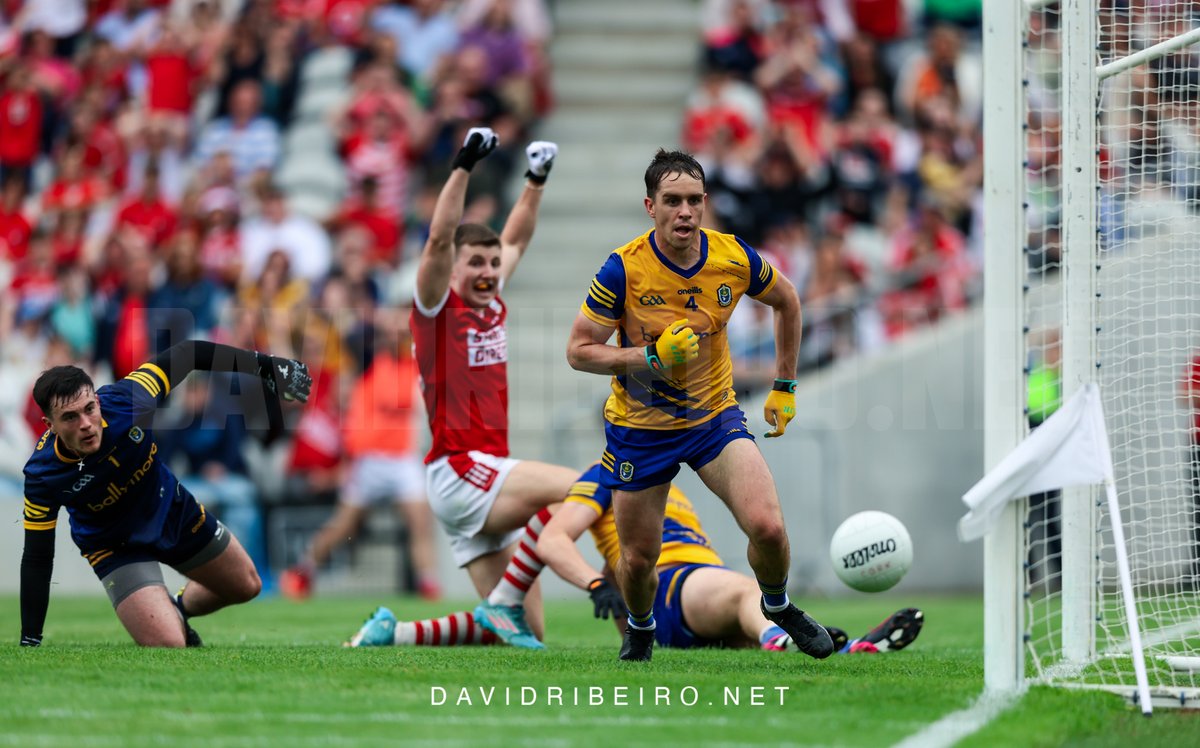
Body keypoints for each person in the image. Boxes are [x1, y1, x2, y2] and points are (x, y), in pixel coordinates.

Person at [564, 148, 832, 662]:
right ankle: (641, 628)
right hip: (639, 429)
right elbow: (578, 351)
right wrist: (649, 355)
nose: (684, 211)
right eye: (672, 201)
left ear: (705, 203)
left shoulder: (731, 257)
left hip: (713, 419)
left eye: (692, 200)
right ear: (650, 206)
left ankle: (775, 605)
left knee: (769, 528)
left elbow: (788, 301)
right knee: (640, 561)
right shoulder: (623, 269)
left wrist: (785, 385)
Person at [345, 465, 924, 656]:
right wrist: (601, 585)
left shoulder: (686, 464)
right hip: (667, 589)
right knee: (749, 594)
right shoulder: (608, 474)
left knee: (739, 610)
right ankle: (796, 637)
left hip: (691, 592)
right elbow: (551, 538)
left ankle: (839, 646)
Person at [18, 340, 311, 648]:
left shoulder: (128, 398)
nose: (87, 424)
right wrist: (30, 638)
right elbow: (37, 556)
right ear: (49, 425)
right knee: (170, 644)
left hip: (171, 508)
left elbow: (189, 354)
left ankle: (177, 608)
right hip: (114, 546)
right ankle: (167, 621)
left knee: (247, 586)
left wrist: (265, 365)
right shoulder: (42, 475)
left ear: (97, 400)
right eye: (70, 418)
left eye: (90, 408)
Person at [408, 126, 578, 648]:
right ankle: (626, 609)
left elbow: (518, 236)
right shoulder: (437, 309)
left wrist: (536, 180)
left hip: (483, 476)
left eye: (492, 264)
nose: (487, 272)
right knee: (588, 488)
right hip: (462, 469)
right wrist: (463, 165)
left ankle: (397, 635)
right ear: (453, 268)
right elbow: (439, 239)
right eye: (475, 263)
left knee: (527, 633)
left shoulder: (492, 296)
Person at [280, 308, 442, 600]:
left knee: (420, 519)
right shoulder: (368, 362)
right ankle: (303, 571)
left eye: (402, 331)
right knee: (345, 524)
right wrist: (381, 320)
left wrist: (406, 328)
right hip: (368, 458)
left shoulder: (414, 365)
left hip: (402, 458)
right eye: (391, 331)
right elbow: (354, 335)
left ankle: (427, 582)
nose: (396, 334)